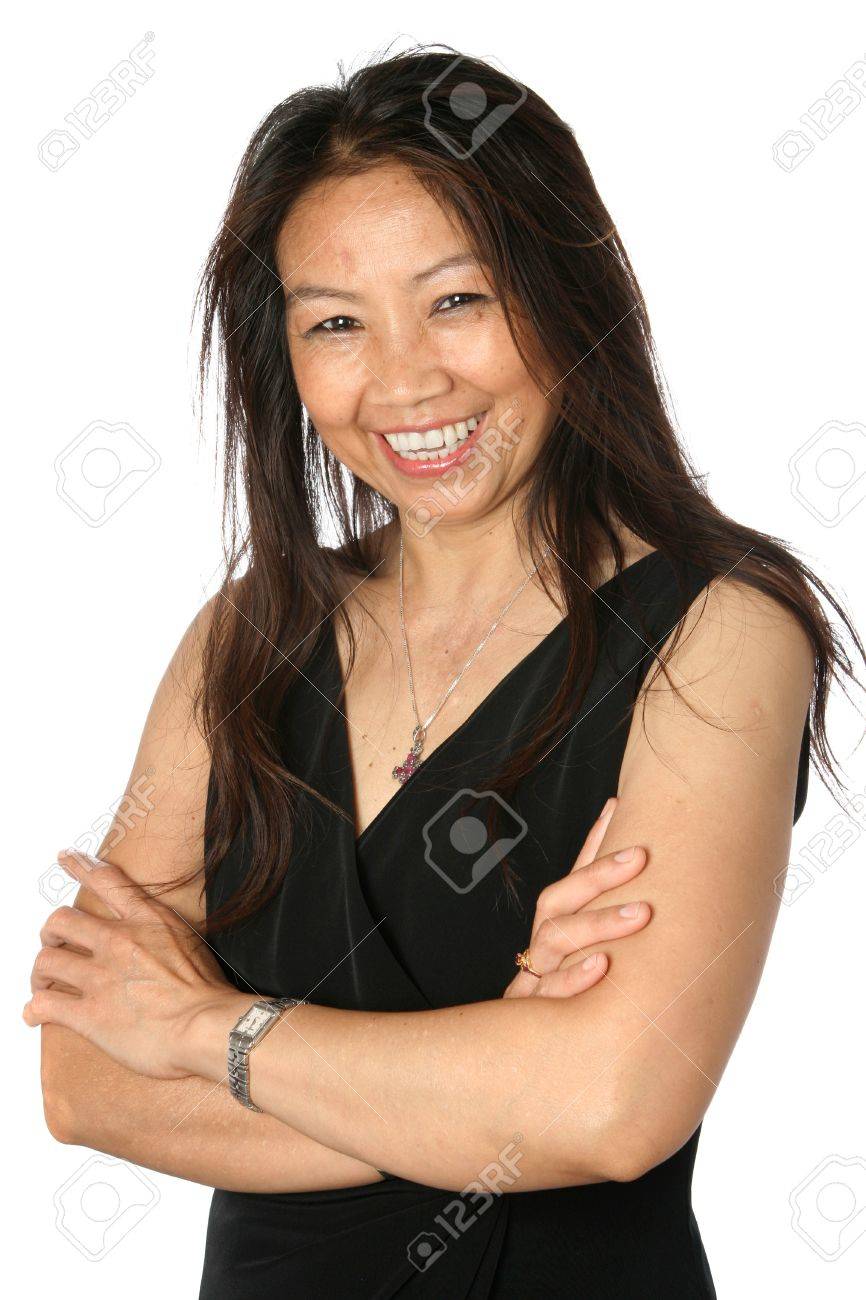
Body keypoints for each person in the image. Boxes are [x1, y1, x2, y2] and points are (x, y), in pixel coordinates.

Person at [29, 46, 862, 1299]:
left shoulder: (720, 629)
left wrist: (207, 1031)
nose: (406, 380)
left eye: (457, 300)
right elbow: (85, 1081)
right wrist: (499, 1076)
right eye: (334, 323)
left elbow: (611, 1104)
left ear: (565, 293)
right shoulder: (244, 636)